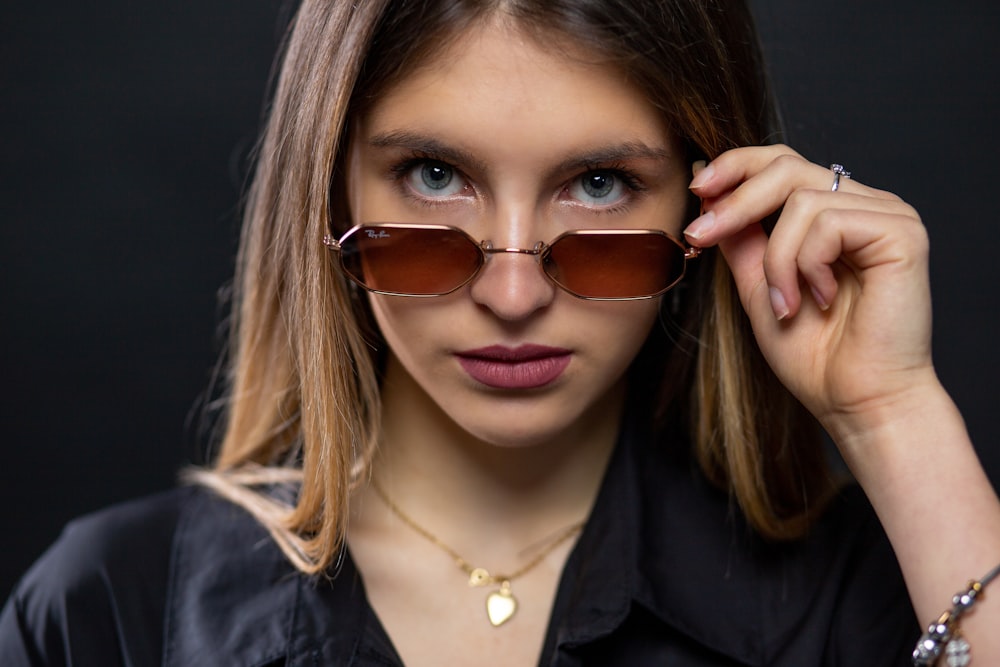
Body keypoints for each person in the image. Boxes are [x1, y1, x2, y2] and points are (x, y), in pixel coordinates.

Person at [3, 0, 999, 665]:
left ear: (708, 204)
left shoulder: (854, 602)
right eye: (434, 175)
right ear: (329, 184)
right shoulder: (108, 611)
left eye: (600, 184)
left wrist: (892, 413)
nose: (513, 291)